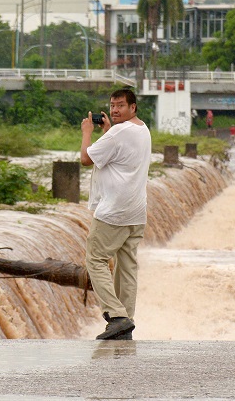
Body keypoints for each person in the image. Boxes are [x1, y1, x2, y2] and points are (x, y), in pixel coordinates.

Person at [80, 88, 152, 340]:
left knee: (96, 259)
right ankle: (126, 322)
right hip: (136, 211)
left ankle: (117, 316)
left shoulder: (120, 132)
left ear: (133, 107)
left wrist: (87, 133)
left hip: (114, 211)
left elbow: (86, 159)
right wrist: (108, 131)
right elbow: (119, 150)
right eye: (112, 105)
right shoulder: (142, 129)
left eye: (120, 105)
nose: (114, 110)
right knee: (127, 266)